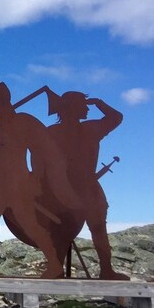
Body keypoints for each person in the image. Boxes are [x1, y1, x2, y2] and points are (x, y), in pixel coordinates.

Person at [0, 82, 78, 278]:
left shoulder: (24, 122)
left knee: (29, 225)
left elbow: (44, 151)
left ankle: (55, 265)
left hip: (18, 182)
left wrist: (37, 177)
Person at [47, 91, 128, 280]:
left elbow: (117, 118)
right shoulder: (59, 132)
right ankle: (57, 268)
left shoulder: (88, 128)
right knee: (62, 230)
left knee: (97, 228)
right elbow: (41, 161)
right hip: (65, 189)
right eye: (83, 105)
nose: (87, 108)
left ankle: (106, 269)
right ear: (72, 107)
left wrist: (97, 100)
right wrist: (98, 101)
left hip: (86, 188)